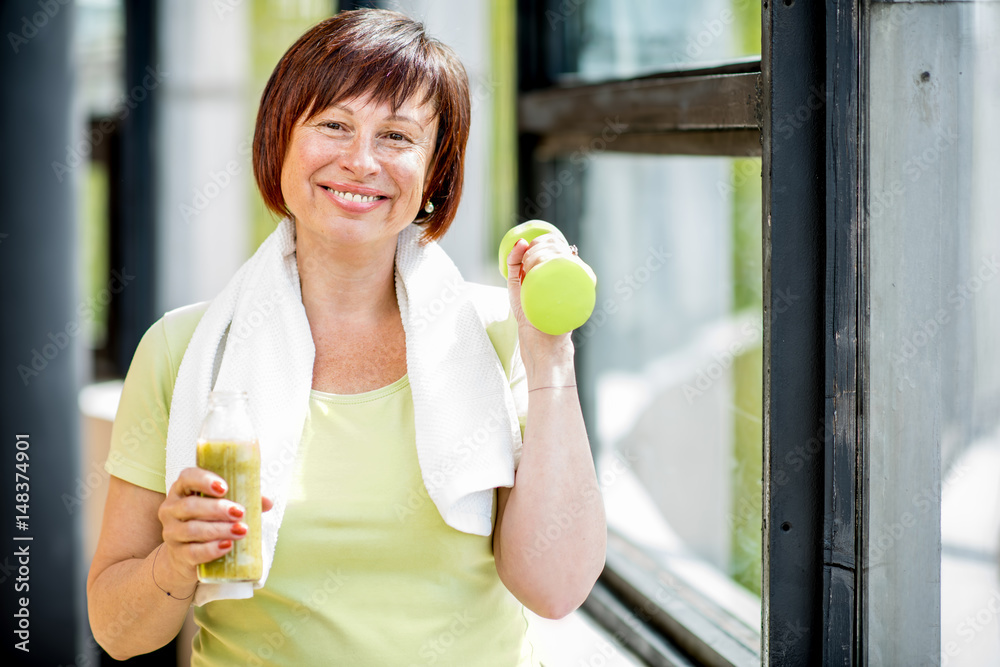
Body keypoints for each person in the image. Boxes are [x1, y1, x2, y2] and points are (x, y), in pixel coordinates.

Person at [87, 9, 606, 665]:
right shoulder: (183, 350)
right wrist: (176, 561)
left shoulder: (501, 336)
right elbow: (116, 629)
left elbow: (555, 588)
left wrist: (550, 353)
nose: (361, 161)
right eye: (333, 124)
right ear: (280, 142)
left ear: (434, 175)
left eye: (396, 136)